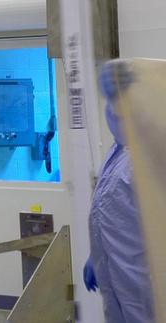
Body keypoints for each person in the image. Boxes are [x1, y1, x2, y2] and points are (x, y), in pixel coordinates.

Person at [84, 61, 154, 322]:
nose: (112, 112)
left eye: (118, 104)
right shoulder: (117, 153)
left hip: (142, 276)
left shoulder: (151, 154)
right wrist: (96, 256)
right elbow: (109, 214)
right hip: (113, 273)